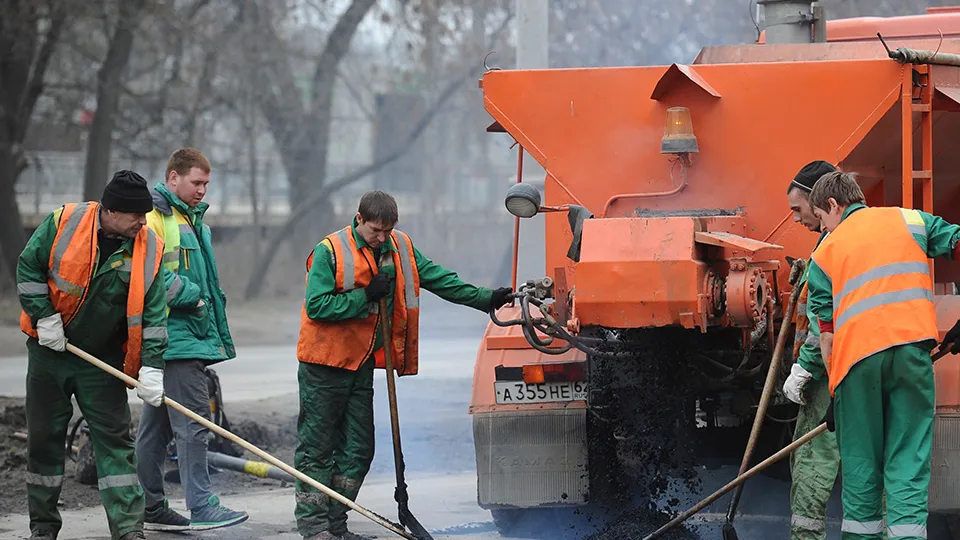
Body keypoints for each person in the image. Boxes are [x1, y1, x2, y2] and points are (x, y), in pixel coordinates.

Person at [293, 190, 513, 540]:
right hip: (324, 366)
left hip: (361, 364)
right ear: (359, 219)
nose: (382, 238)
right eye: (375, 230)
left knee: (359, 450)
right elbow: (317, 306)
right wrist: (365, 295)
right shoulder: (330, 250)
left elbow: (439, 278)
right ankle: (314, 528)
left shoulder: (399, 247)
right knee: (317, 449)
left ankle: (335, 524)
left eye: (388, 230)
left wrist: (486, 298)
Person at [806, 171, 960, 540]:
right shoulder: (912, 220)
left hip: (856, 365)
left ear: (833, 205)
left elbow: (827, 336)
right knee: (908, 459)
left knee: (862, 465)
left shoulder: (825, 252)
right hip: (912, 355)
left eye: (821, 218)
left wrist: (835, 393)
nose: (822, 228)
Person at [17, 171, 167, 540]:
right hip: (51, 352)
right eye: (136, 215)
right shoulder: (64, 222)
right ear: (111, 211)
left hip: (102, 361)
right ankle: (43, 526)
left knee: (115, 443)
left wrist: (152, 367)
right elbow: (28, 268)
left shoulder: (149, 247)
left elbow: (154, 315)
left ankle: (129, 529)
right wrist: (43, 316)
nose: (143, 222)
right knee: (44, 438)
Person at [135, 148, 247, 531]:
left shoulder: (189, 219)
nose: (202, 190)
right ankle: (202, 506)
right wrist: (194, 297)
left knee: (157, 429)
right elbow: (149, 276)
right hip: (176, 337)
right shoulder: (155, 218)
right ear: (173, 178)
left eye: (206, 184)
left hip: (179, 337)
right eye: (196, 182)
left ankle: (150, 507)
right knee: (194, 424)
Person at [780, 160, 841, 540]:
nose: (796, 219)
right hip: (854, 367)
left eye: (798, 209)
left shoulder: (831, 246)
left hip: (827, 374)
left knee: (812, 460)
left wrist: (805, 368)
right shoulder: (832, 242)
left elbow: (824, 321)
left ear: (821, 202)